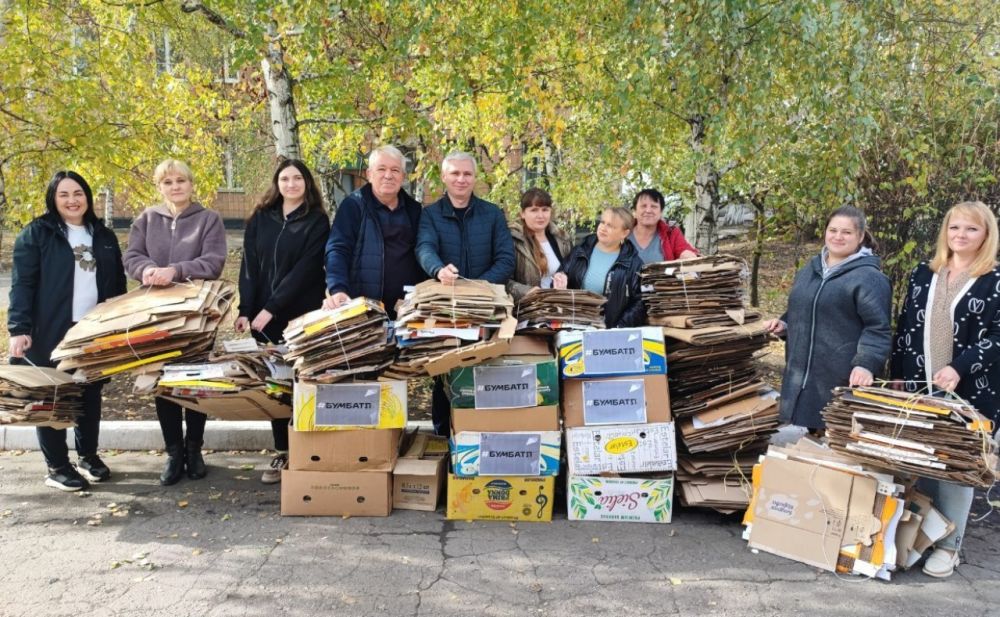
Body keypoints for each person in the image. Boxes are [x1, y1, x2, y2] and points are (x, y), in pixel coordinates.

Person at [890, 200, 1000, 578]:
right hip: (920, 385)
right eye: (955, 228)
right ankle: (921, 539)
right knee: (921, 463)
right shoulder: (924, 273)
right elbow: (905, 326)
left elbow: (998, 338)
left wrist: (960, 367)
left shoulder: (994, 281)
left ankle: (949, 548)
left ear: (986, 234)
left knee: (954, 469)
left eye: (971, 229)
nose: (961, 235)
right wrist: (899, 372)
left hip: (972, 391)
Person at [7, 171, 127, 491]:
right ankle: (57, 466)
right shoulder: (37, 234)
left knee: (90, 393)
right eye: (64, 194)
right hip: (50, 329)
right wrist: (18, 328)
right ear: (53, 199)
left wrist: (117, 325)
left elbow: (117, 286)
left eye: (78, 193)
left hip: (92, 330)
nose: (72, 200)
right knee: (53, 396)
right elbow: (23, 285)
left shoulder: (102, 235)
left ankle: (88, 456)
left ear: (87, 196)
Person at [123, 159, 226, 486]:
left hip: (196, 313)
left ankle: (195, 449)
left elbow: (213, 261)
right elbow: (132, 256)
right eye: (168, 182)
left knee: (195, 382)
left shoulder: (209, 219)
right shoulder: (147, 219)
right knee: (162, 382)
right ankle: (173, 452)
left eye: (181, 180)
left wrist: (176, 270)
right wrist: (147, 270)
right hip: (156, 312)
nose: (175, 187)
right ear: (160, 187)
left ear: (191, 184)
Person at [237, 159, 330, 484]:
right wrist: (246, 309)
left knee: (303, 383)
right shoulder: (261, 219)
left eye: (297, 178)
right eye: (285, 178)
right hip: (264, 319)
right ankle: (282, 451)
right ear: (277, 183)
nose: (291, 184)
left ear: (307, 182)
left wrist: (272, 308)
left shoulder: (317, 222)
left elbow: (304, 272)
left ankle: (307, 450)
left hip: (301, 316)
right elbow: (249, 267)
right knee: (276, 385)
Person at [765, 206, 892, 433]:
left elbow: (878, 328)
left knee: (832, 445)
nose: (838, 237)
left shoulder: (870, 278)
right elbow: (803, 308)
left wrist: (866, 364)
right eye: (833, 230)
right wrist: (785, 324)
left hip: (840, 379)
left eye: (846, 232)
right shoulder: (810, 269)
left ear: (861, 236)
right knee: (800, 447)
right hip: (800, 378)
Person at [415, 151, 515, 435]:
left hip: (488, 309)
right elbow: (424, 248)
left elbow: (506, 259)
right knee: (444, 371)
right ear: (444, 177)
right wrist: (437, 269)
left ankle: (482, 432)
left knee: (485, 370)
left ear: (475, 178)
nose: (461, 179)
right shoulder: (430, 215)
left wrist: (479, 289)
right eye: (455, 174)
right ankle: (442, 435)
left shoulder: (492, 214)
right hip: (447, 309)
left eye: (467, 174)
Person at [324, 145, 426, 319]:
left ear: (403, 176)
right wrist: (338, 288)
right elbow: (338, 249)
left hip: (408, 310)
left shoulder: (414, 210)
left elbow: (424, 251)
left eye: (395, 170)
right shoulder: (353, 206)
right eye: (381, 169)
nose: (388, 175)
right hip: (365, 308)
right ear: (369, 174)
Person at [554, 206, 645, 328]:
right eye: (602, 222)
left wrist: (619, 328)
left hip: (609, 334)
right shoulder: (579, 251)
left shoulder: (634, 263)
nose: (603, 228)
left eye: (611, 226)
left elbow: (640, 302)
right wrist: (560, 280)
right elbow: (559, 276)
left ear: (625, 233)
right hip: (572, 328)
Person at [506, 187, 572, 302]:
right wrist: (527, 292)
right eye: (534, 210)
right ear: (522, 214)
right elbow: (503, 281)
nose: (540, 215)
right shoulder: (512, 240)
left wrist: (564, 278)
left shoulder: (562, 239)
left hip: (558, 309)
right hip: (526, 313)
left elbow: (572, 273)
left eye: (545, 209)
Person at [628, 188, 698, 264]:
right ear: (634, 211)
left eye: (654, 206)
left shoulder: (671, 233)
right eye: (643, 206)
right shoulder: (622, 231)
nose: (648, 210)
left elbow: (684, 249)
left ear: (661, 212)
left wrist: (688, 255)